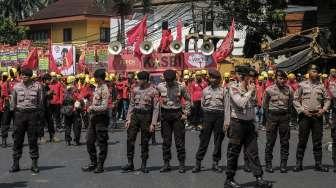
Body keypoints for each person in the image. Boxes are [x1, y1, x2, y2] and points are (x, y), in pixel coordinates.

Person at [224, 65, 272, 188]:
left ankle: (259, 178)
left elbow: (252, 107)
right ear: (242, 76)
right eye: (250, 76)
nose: (253, 79)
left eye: (253, 77)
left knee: (253, 152)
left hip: (249, 124)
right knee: (233, 152)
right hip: (237, 124)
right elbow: (240, 103)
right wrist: (250, 92)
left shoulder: (252, 88)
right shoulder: (233, 87)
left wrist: (255, 125)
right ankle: (229, 180)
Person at [293, 64, 330, 172]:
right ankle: (298, 164)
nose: (316, 73)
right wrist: (302, 110)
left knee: (317, 142)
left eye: (317, 72)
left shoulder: (321, 86)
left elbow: (327, 99)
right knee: (302, 141)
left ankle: (318, 164)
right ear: (309, 72)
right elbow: (295, 99)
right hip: (305, 116)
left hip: (317, 116)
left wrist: (323, 110)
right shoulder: (302, 85)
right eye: (314, 71)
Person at [122, 71, 159, 173]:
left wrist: (153, 123)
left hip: (146, 116)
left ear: (145, 80)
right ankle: (130, 163)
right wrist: (128, 119)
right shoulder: (135, 90)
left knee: (145, 141)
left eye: (140, 79)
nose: (138, 81)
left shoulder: (153, 91)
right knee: (130, 138)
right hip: (135, 115)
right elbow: (131, 105)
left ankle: (143, 164)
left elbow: (156, 108)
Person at [156, 69, 191, 173]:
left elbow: (188, 99)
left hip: (177, 114)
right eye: (167, 80)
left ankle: (181, 164)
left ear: (174, 79)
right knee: (166, 142)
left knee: (179, 141)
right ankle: (166, 163)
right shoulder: (160, 86)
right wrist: (157, 117)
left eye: (171, 80)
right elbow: (155, 100)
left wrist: (186, 113)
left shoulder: (181, 86)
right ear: (165, 79)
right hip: (165, 115)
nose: (169, 82)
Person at [9, 68, 43, 174]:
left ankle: (34, 164)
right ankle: (15, 164)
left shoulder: (38, 87)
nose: (24, 77)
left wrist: (39, 118)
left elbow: (40, 102)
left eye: (26, 75)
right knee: (17, 140)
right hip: (19, 115)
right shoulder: (16, 87)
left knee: (33, 140)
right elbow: (12, 104)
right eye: (23, 75)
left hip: (32, 115)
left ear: (30, 77)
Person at [192, 69, 225, 173]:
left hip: (220, 116)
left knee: (218, 141)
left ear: (219, 79)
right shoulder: (205, 90)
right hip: (208, 116)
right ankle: (198, 162)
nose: (213, 79)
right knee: (204, 140)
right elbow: (202, 105)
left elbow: (226, 106)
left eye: (215, 78)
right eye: (211, 77)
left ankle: (215, 163)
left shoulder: (224, 91)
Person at [262, 70, 293, 173]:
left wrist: (286, 115)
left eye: (284, 78)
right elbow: (265, 105)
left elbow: (290, 103)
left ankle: (283, 164)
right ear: (276, 78)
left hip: (284, 117)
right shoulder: (269, 90)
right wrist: (268, 117)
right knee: (270, 142)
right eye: (280, 78)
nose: (283, 80)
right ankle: (268, 164)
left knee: (285, 142)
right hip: (272, 117)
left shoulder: (289, 90)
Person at [82, 69, 110, 173]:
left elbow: (104, 107)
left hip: (101, 119)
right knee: (89, 141)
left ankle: (100, 165)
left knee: (102, 142)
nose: (94, 79)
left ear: (99, 78)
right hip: (93, 118)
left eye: (95, 77)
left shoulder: (104, 89)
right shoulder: (97, 87)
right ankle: (93, 163)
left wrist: (92, 108)